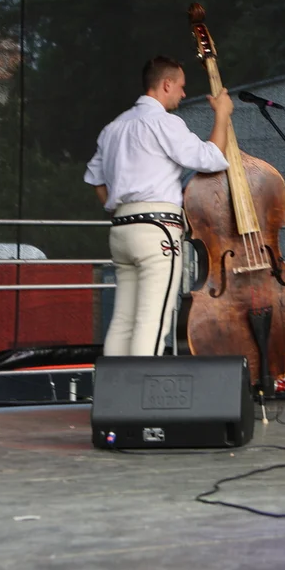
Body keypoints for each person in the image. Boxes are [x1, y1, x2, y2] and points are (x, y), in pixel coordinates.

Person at [84, 55, 232, 357]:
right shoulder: (164, 123)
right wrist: (222, 116)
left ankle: (114, 398)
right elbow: (211, 158)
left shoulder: (113, 127)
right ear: (166, 84)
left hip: (122, 227)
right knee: (152, 320)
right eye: (180, 86)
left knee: (123, 320)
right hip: (157, 230)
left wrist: (117, 209)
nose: (183, 93)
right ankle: (138, 399)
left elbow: (94, 179)